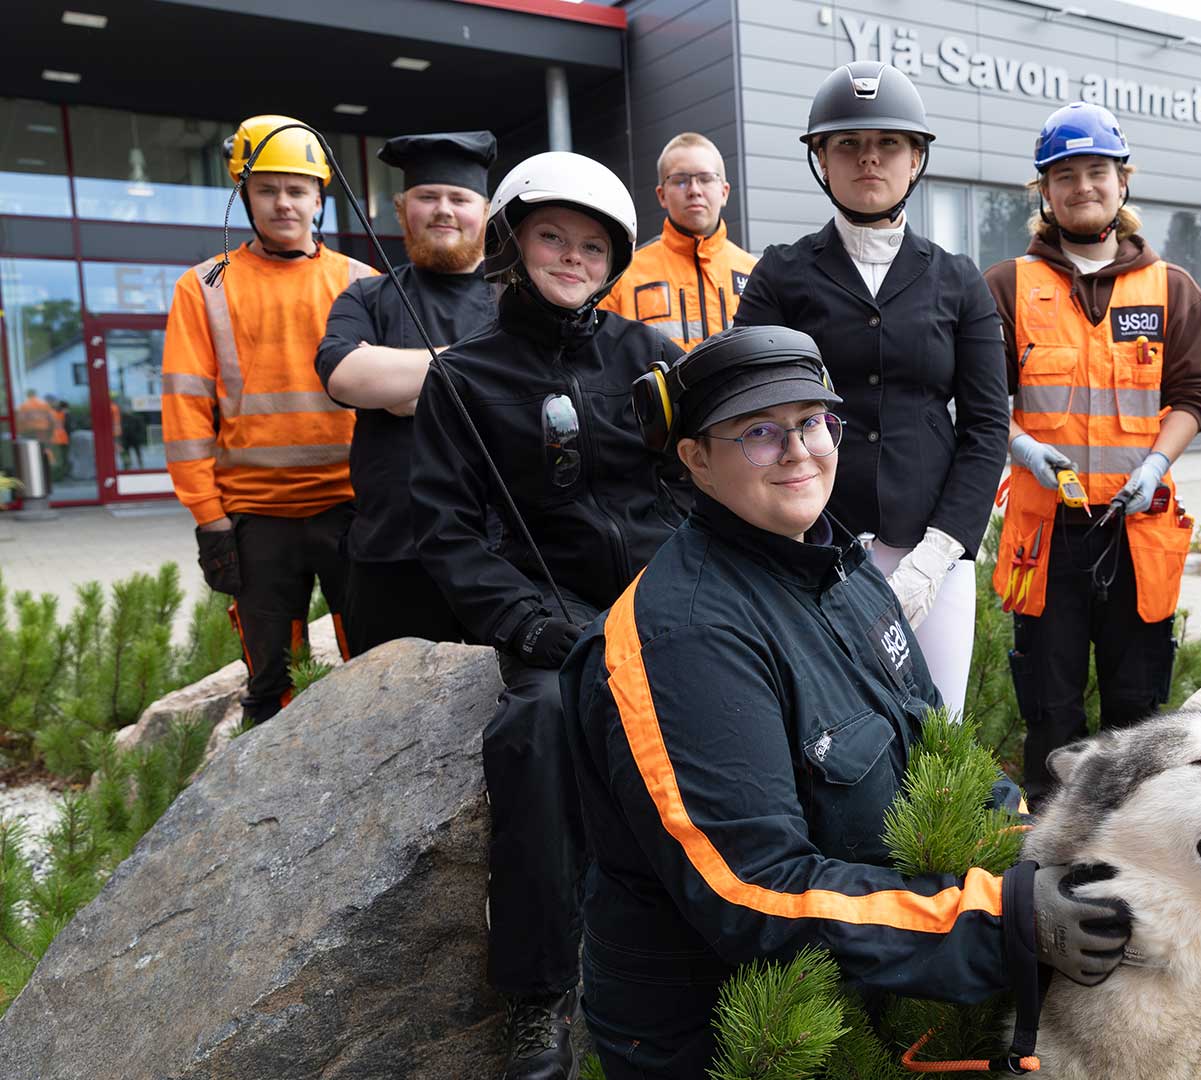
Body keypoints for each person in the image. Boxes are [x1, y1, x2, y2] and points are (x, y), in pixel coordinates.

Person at [563, 325, 1130, 1079]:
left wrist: (1046, 850)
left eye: (813, 423)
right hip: (724, 1039)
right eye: (759, 433)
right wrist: (1007, 922)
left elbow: (941, 750)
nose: (799, 451)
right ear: (694, 458)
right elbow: (752, 890)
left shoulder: (840, 568)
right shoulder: (687, 639)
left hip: (875, 981)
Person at [409, 149, 685, 1080]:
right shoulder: (463, 375)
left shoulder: (652, 359)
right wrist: (535, 626)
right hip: (552, 612)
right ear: (512, 242)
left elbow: (710, 473)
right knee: (535, 727)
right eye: (552, 237)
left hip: (670, 599)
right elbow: (447, 534)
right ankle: (539, 996)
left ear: (614, 261)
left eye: (593, 246)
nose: (572, 257)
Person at [734, 61, 1009, 718]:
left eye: (887, 144)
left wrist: (940, 552)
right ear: (821, 159)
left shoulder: (959, 280)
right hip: (812, 540)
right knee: (823, 724)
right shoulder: (780, 274)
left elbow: (985, 427)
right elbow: (747, 404)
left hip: (930, 550)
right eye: (848, 145)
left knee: (935, 729)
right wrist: (787, 531)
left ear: (915, 158)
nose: (868, 159)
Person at [983, 102, 1201, 806]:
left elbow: (1195, 394)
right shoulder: (1006, 287)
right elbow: (979, 400)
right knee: (1050, 712)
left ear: (1122, 182)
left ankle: (1137, 849)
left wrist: (1155, 465)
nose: (1084, 186)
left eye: (1098, 172)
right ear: (1044, 193)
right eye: (1066, 175)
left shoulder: (1172, 289)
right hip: (1046, 535)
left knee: (1139, 709)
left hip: (1137, 531)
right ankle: (1055, 863)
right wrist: (1019, 445)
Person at [161, 113, 373, 725]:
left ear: (319, 197)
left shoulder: (362, 283)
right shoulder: (203, 286)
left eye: (297, 189)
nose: (283, 202)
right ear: (243, 194)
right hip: (254, 519)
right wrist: (209, 519)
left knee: (374, 670)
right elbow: (185, 409)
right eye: (267, 188)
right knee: (270, 689)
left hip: (352, 509)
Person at [317, 131, 498, 654]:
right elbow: (343, 376)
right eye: (427, 197)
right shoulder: (367, 296)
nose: (443, 210)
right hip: (390, 554)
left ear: (484, 212)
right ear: (402, 210)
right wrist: (473, 376)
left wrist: (401, 386)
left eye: (459, 199)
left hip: (499, 553)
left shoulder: (515, 298)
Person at [598, 132, 757, 350]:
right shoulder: (624, 275)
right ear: (662, 195)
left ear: (724, 191)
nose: (694, 190)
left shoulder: (755, 273)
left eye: (706, 178)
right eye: (680, 180)